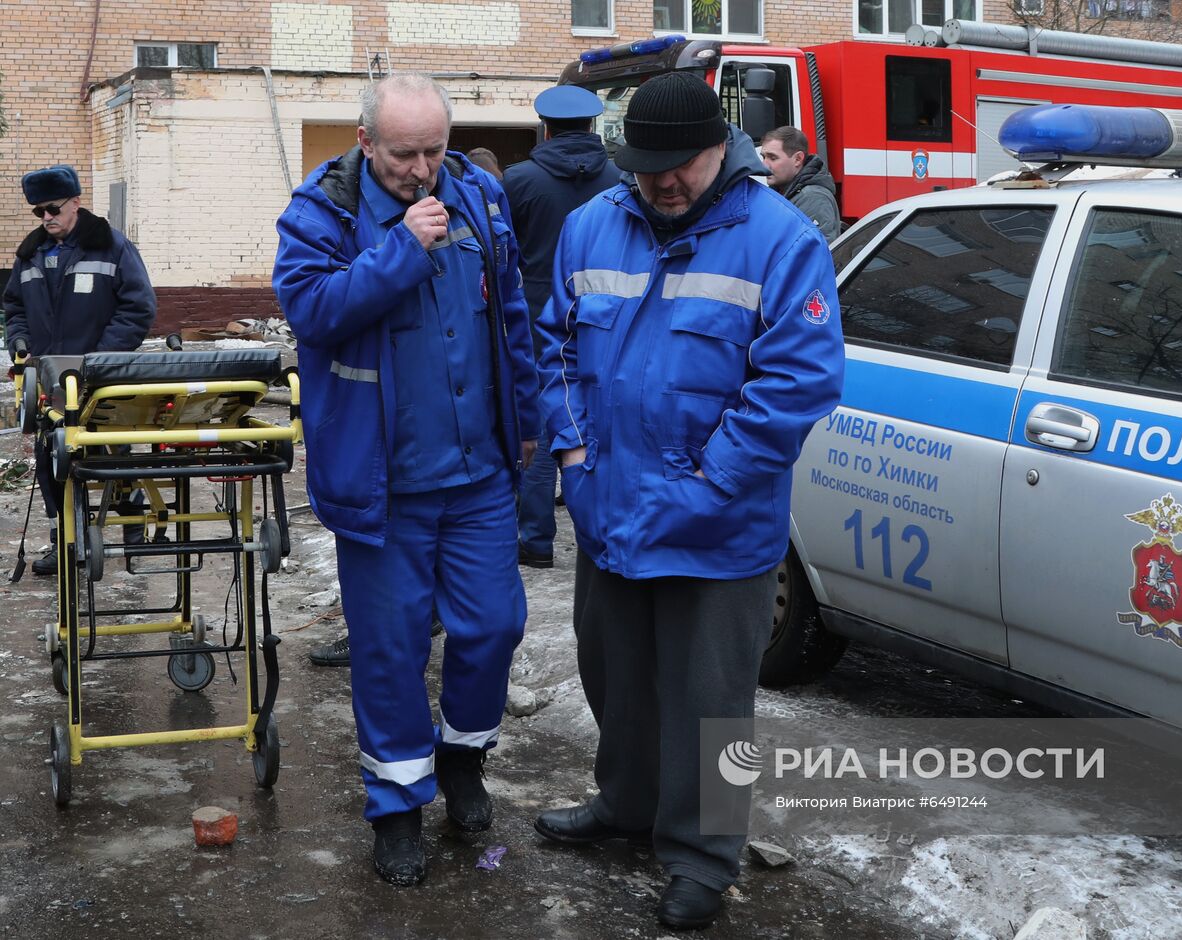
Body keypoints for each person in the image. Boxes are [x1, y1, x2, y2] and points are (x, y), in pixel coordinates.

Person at [533, 73, 844, 930]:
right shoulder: (593, 226)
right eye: (646, 167)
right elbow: (552, 345)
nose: (662, 182)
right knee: (616, 680)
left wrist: (704, 485)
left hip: (720, 523)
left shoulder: (781, 241)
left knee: (712, 704)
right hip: (607, 508)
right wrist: (571, 453)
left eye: (682, 165)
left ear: (723, 151)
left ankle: (706, 856)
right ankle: (626, 803)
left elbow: (797, 384)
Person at [272, 73, 538, 887]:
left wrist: (525, 421)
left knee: (493, 626)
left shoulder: (480, 196)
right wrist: (401, 248)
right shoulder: (320, 213)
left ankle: (462, 758)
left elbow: (512, 311)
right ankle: (395, 809)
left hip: (478, 474)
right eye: (403, 155)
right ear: (364, 143)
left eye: (434, 150)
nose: (422, 170)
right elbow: (311, 312)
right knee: (388, 653)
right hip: (383, 481)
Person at [3, 164, 156, 576]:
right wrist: (18, 343)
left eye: (53, 208)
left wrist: (103, 357)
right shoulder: (31, 254)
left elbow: (138, 308)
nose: (46, 218)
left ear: (76, 202)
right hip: (51, 379)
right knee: (52, 455)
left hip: (102, 377)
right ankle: (65, 539)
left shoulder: (112, 247)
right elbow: (14, 308)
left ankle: (132, 522)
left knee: (112, 452)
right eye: (38, 212)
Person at [502, 85, 621, 570]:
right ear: (592, 127)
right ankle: (602, 528)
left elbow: (501, 253)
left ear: (545, 128)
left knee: (543, 417)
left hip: (534, 314)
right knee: (599, 416)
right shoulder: (620, 177)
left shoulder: (518, 180)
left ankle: (534, 538)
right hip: (602, 313)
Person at [758, 126, 840, 242]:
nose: (764, 165)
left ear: (798, 159)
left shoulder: (814, 198)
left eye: (773, 158)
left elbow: (815, 253)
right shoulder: (783, 192)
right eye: (763, 157)